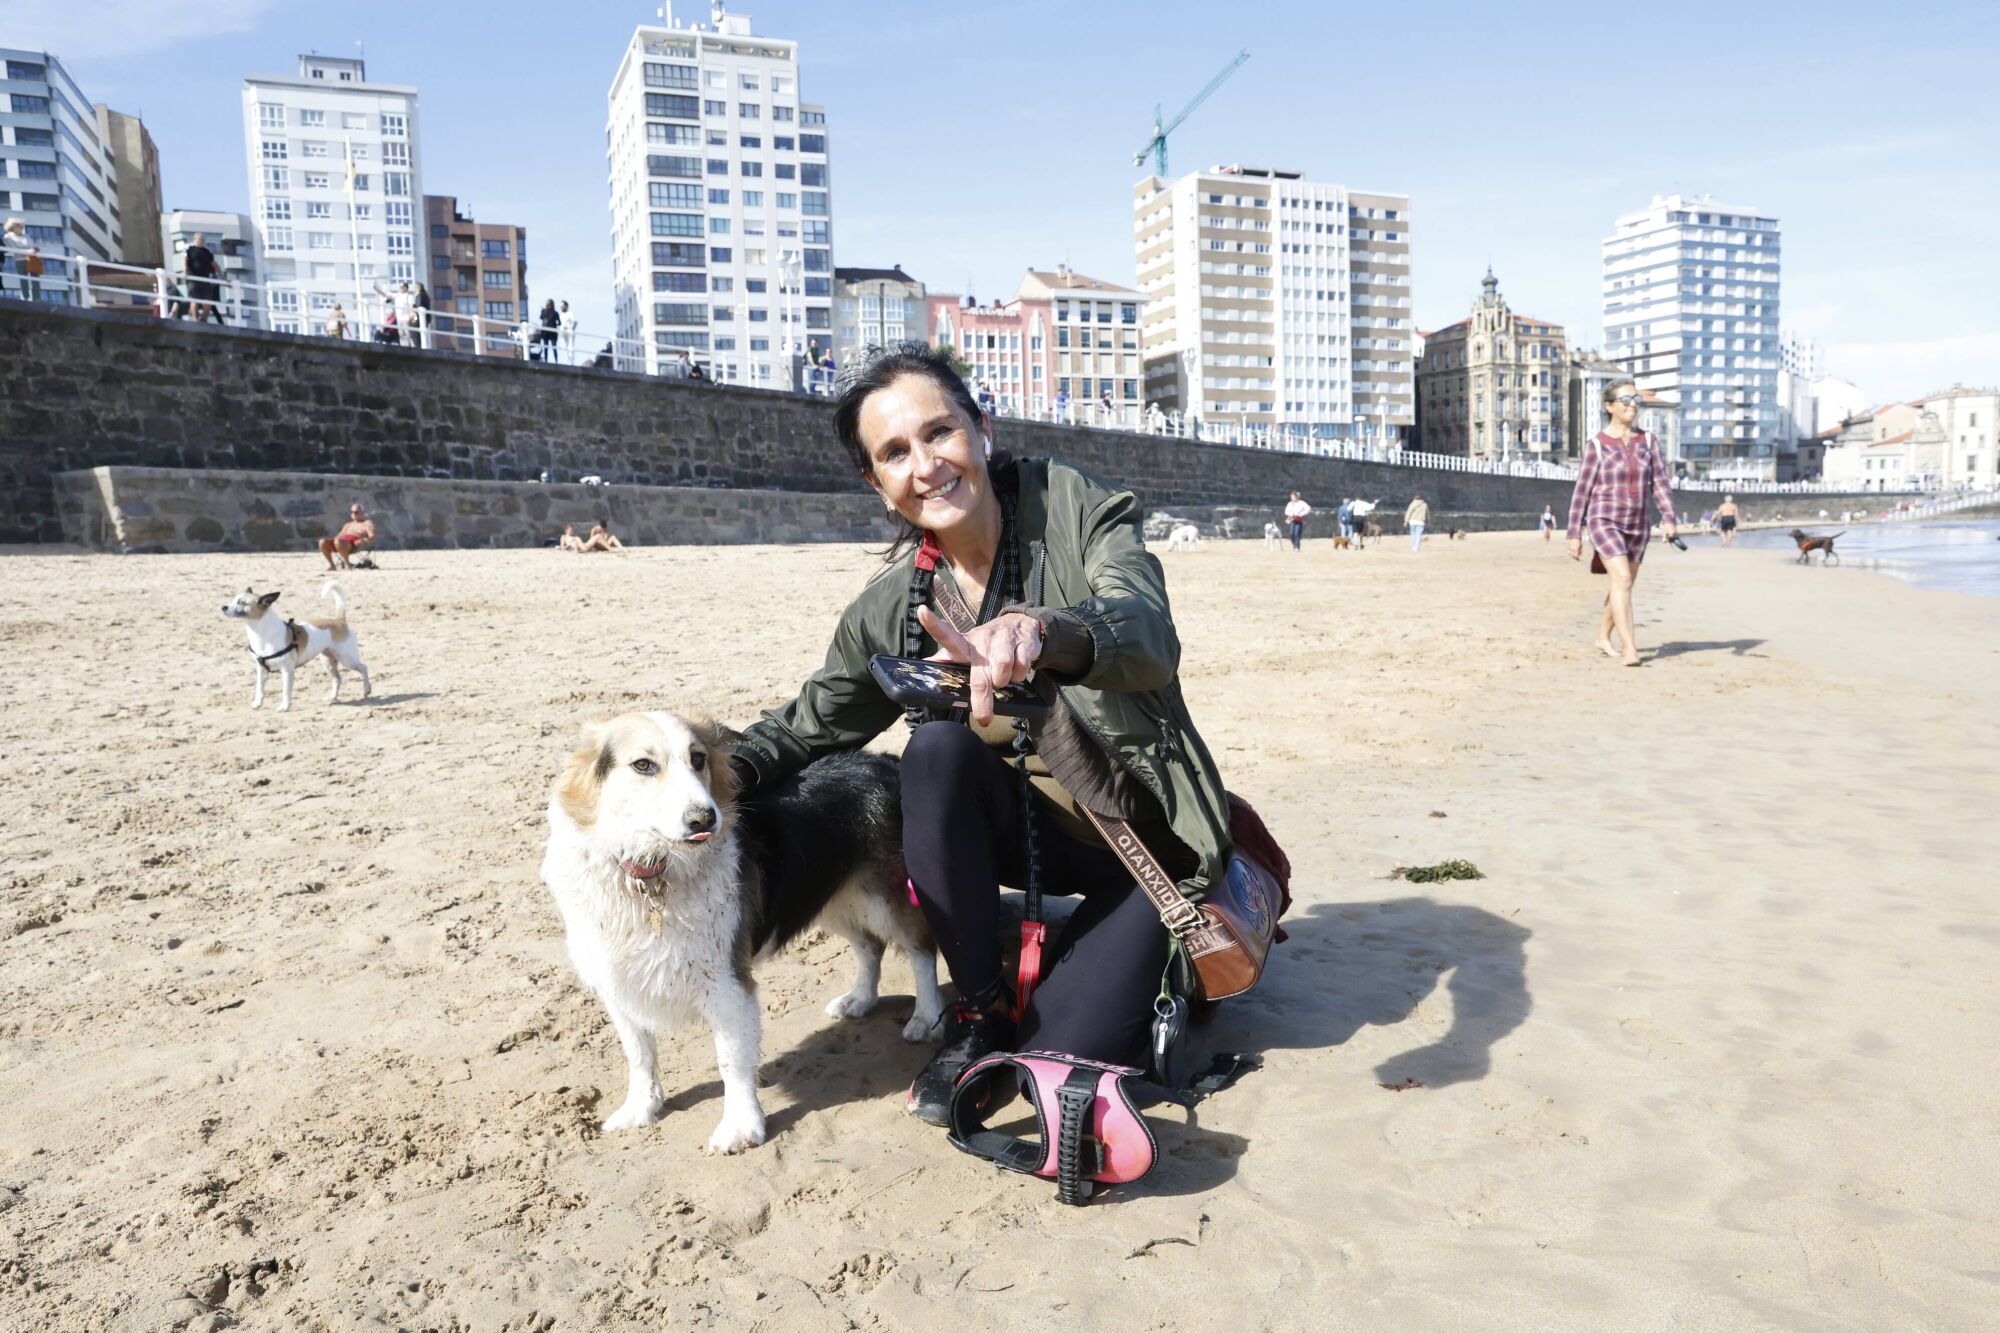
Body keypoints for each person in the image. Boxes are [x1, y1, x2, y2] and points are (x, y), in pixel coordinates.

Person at [731, 342, 1238, 1126]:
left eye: (940, 431)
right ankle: (978, 1007)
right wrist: (703, 772)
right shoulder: (897, 607)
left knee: (1057, 1059)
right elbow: (808, 725)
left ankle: (1132, 959)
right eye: (895, 452)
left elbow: (1146, 632)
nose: (926, 464)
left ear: (982, 428)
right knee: (934, 750)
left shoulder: (1076, 508)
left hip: (1141, 840)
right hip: (1026, 843)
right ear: (875, 482)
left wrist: (1043, 631)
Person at [1565, 380, 1679, 666]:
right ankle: (1630, 648)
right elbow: (1582, 490)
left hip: (1639, 524)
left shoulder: (1648, 441)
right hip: (1604, 520)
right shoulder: (1597, 445)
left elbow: (1660, 483)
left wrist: (1669, 519)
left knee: (1622, 584)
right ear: (1609, 406)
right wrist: (1574, 533)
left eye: (1635, 399)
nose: (1632, 405)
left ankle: (1603, 637)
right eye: (1626, 400)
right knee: (1623, 580)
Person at [319, 504, 376, 570]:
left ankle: (347, 564)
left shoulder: (367, 523)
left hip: (354, 544)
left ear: (362, 512)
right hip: (340, 543)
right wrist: (330, 541)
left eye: (356, 512)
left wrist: (364, 540)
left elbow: (373, 536)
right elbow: (338, 536)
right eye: (351, 512)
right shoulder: (348, 525)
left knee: (338, 541)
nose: (353, 514)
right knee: (322, 542)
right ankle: (332, 565)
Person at [183, 232, 224, 324]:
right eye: (200, 239)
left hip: (205, 279)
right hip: (193, 278)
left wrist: (221, 276)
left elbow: (214, 264)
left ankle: (203, 318)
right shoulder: (189, 249)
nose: (202, 241)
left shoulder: (207, 252)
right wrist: (185, 270)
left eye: (203, 240)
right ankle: (195, 319)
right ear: (195, 240)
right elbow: (185, 259)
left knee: (208, 301)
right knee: (194, 299)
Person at [3, 217, 43, 301]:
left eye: (22, 226)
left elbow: (33, 245)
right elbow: (13, 249)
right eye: (19, 226)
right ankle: (26, 298)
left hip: (32, 259)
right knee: (24, 280)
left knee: (36, 280)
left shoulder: (26, 236)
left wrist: (35, 249)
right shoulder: (8, 236)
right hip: (20, 260)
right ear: (13, 227)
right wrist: (28, 251)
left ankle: (37, 299)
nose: (22, 228)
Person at [538, 299, 561, 363]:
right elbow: (559, 323)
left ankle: (548, 361)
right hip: (550, 332)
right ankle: (554, 361)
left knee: (548, 347)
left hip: (547, 332)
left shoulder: (545, 311)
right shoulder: (555, 313)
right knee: (552, 347)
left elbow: (541, 317)